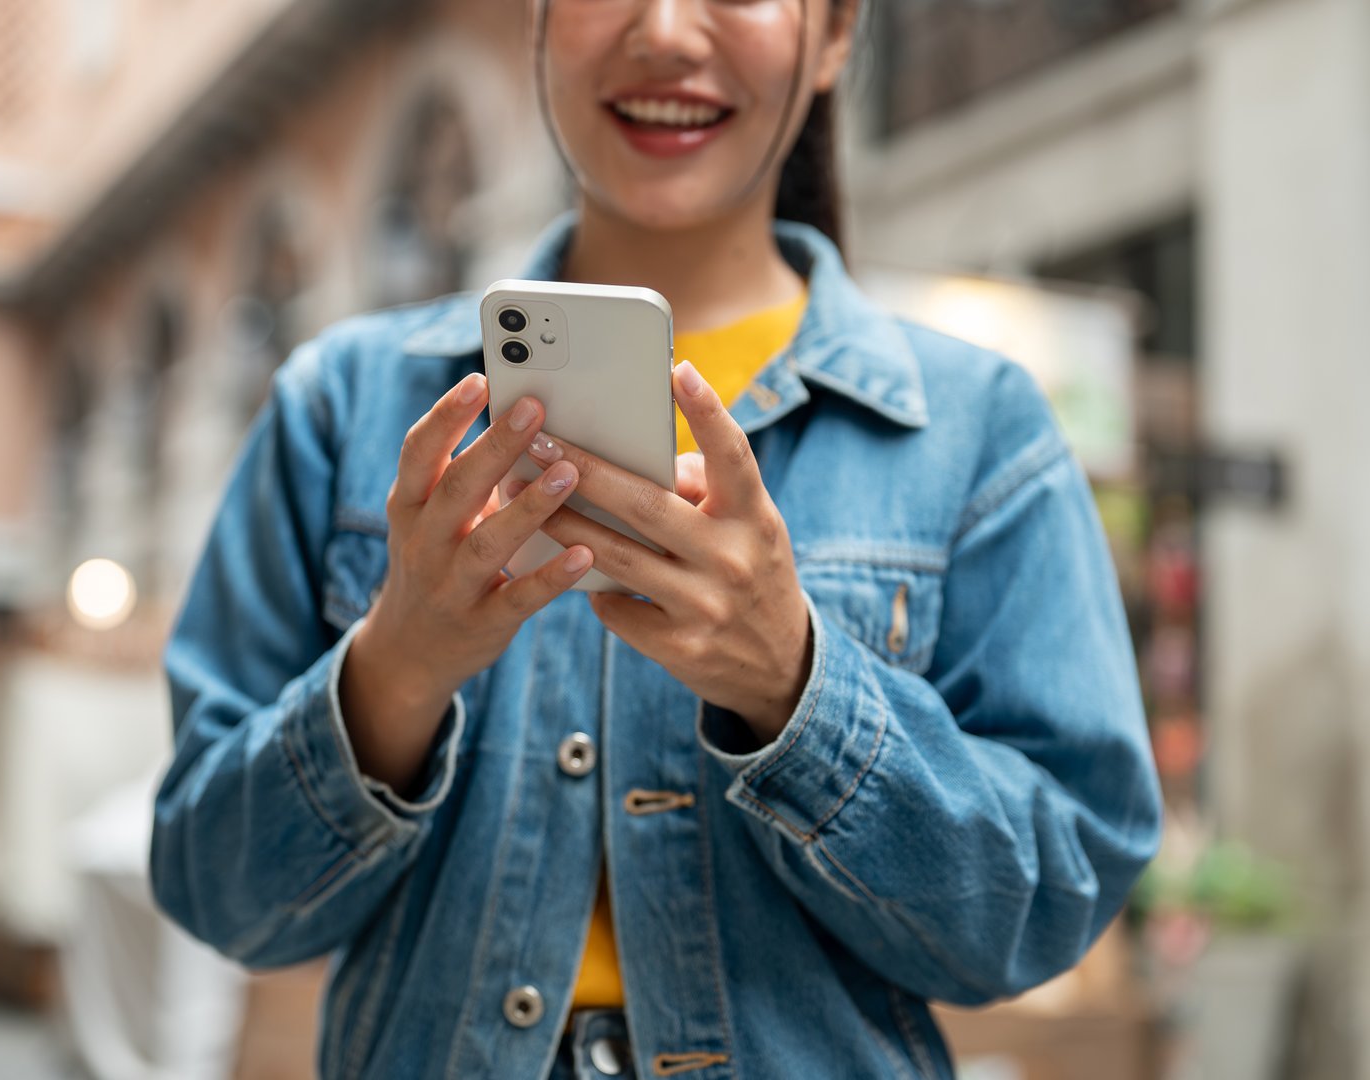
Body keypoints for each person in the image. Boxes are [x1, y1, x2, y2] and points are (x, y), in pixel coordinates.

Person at [150, 0, 1163, 1076]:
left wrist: (798, 688)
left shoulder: (976, 429)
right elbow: (221, 896)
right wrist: (396, 669)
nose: (668, 30)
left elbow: (1048, 909)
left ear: (833, 36)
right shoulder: (345, 405)